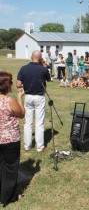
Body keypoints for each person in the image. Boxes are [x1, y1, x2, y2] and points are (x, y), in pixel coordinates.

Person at [16, 50, 51, 152]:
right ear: (40, 58)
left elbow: (18, 84)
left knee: (28, 123)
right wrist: (44, 65)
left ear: (31, 57)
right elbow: (48, 79)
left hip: (28, 96)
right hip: (39, 97)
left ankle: (27, 146)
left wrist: (25, 85)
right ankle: (40, 147)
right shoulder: (43, 69)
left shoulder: (24, 68)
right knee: (39, 123)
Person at [0, 72, 25, 206]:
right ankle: (8, 197)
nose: (12, 84)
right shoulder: (9, 101)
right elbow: (21, 114)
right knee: (10, 167)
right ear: (5, 85)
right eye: (10, 82)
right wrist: (20, 98)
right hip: (10, 140)